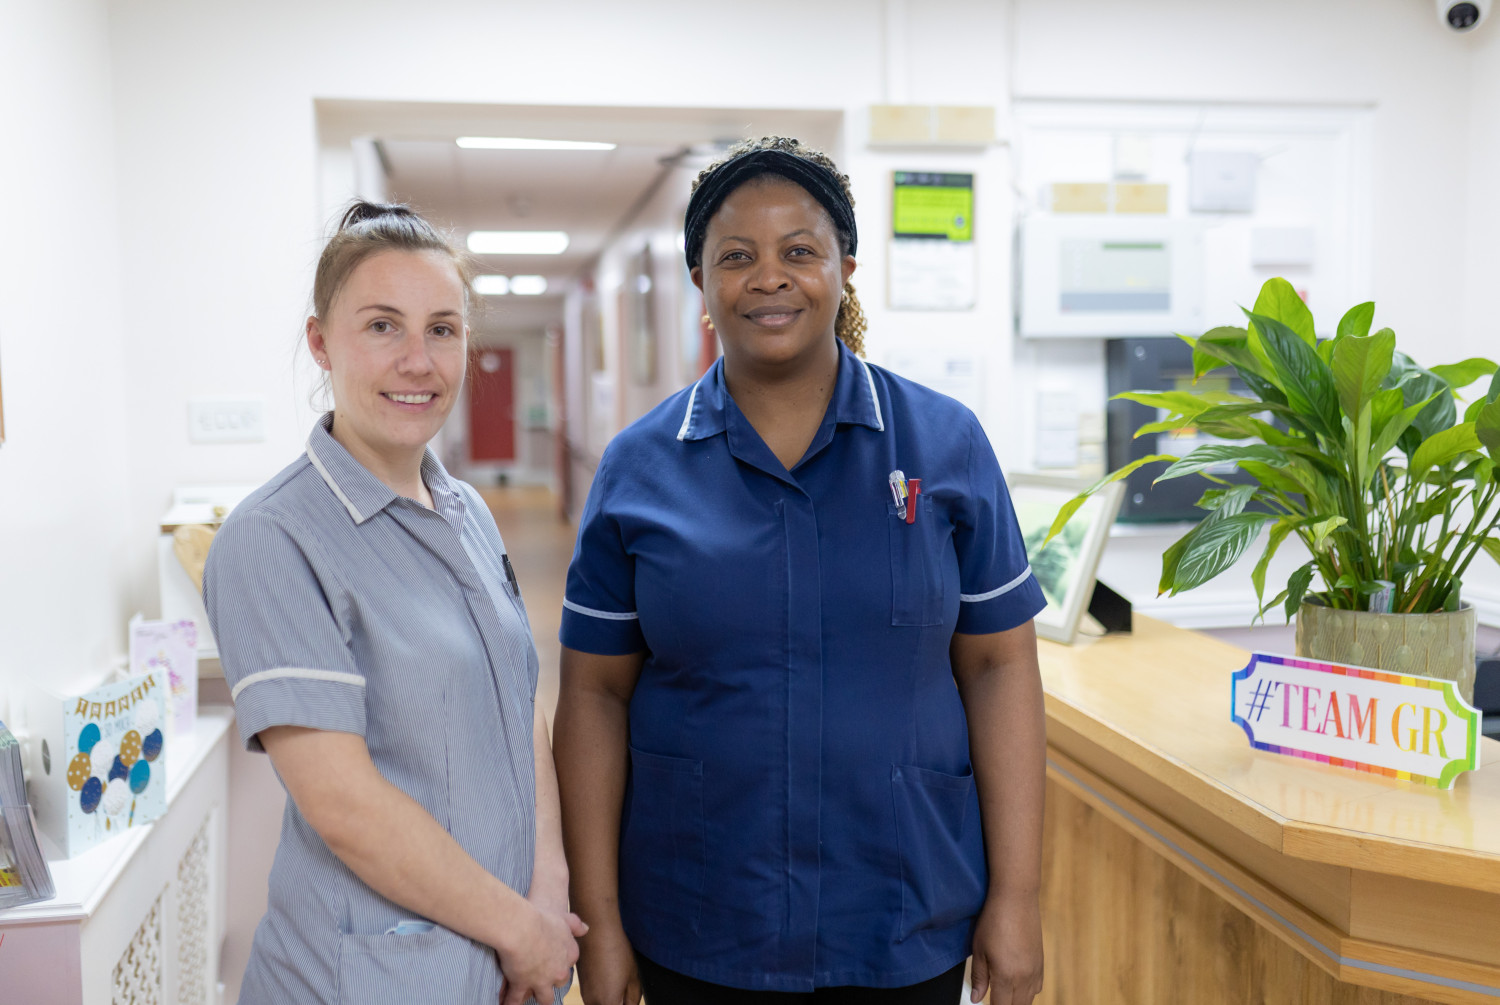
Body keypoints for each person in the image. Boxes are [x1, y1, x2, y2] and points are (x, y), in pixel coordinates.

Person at [554, 137, 1048, 1005]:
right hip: (699, 913)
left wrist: (1017, 895)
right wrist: (598, 918)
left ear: (845, 270)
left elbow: (1001, 666)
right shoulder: (638, 469)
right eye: (736, 256)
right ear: (702, 287)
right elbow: (593, 694)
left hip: (904, 909)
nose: (769, 276)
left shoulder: (945, 444)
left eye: (800, 251)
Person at [204, 202, 584, 1005]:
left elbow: (522, 706)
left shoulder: (469, 513)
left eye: (442, 329)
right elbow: (344, 805)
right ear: (320, 342)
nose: (419, 360)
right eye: (383, 326)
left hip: (500, 961)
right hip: (364, 979)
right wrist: (521, 932)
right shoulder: (273, 539)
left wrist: (546, 899)